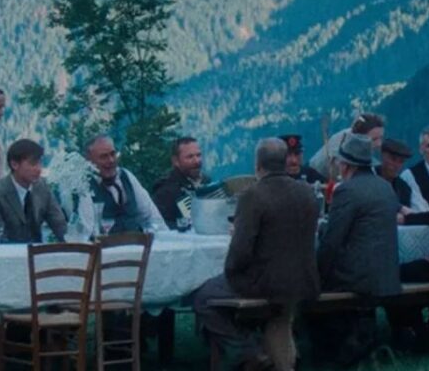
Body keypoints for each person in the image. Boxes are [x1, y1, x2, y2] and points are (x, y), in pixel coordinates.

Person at [192, 138, 319, 371]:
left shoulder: (253, 195)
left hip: (267, 284)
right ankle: (258, 350)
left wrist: (231, 273)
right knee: (276, 315)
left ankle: (249, 352)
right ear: (284, 161)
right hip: (304, 279)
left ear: (258, 164)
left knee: (202, 297)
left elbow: (240, 253)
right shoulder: (307, 192)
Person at [313, 133, 400, 365]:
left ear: (346, 165)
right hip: (388, 274)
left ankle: (328, 353)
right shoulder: (385, 187)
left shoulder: (347, 191)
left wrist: (318, 275)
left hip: (360, 277)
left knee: (309, 293)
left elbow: (332, 241)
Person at [77, 135, 167, 235]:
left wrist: (165, 239)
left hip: (137, 242)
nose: (111, 160)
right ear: (89, 161)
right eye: (103, 157)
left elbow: (152, 216)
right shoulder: (84, 185)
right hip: (105, 244)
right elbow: (87, 231)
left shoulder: (126, 176)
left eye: (113, 154)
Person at [0, 139, 68, 243]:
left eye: (40, 163)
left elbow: (59, 224)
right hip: (8, 250)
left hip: (37, 249)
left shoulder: (42, 187)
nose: (38, 169)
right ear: (14, 164)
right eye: (33, 164)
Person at [151, 137, 210, 230]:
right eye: (190, 157)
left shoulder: (206, 182)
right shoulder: (165, 190)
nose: (196, 161)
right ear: (176, 161)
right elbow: (159, 224)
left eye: (198, 155)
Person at [308, 113, 385, 178]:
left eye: (380, 138)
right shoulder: (343, 146)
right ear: (360, 137)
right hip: (316, 173)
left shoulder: (357, 137)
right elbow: (341, 176)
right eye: (374, 139)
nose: (379, 144)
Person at [378, 138, 415, 214]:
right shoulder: (369, 177)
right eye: (393, 159)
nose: (396, 165)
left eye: (401, 161)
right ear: (383, 156)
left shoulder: (404, 189)